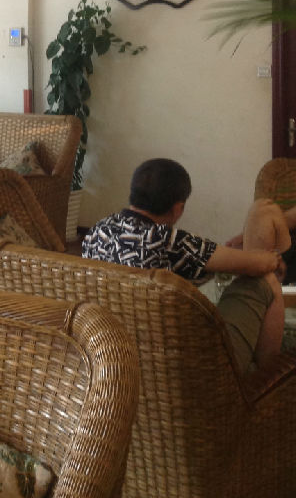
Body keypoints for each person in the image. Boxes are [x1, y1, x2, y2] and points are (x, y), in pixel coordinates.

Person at [82, 157, 291, 373]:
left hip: (117, 361)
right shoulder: (168, 240)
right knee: (267, 280)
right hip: (191, 369)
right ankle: (267, 379)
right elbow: (259, 264)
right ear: (178, 208)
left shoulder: (98, 231)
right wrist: (272, 257)